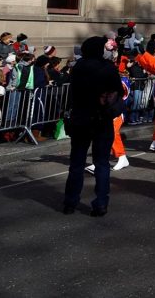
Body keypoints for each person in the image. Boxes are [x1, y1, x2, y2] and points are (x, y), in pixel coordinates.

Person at [63, 36, 123, 216]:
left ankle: (70, 202)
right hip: (100, 119)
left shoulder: (78, 68)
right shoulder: (107, 68)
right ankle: (101, 203)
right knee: (102, 164)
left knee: (76, 164)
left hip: (80, 118)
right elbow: (117, 91)